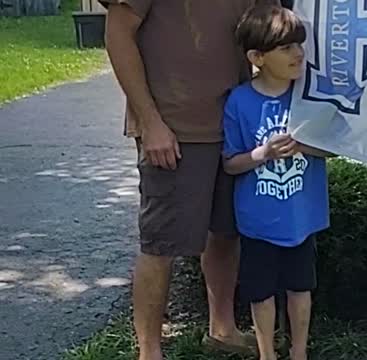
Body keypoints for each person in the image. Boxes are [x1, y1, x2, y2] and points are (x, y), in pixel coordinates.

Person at [101, 0, 280, 359]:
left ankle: (222, 329)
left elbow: (274, 24)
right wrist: (150, 122)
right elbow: (118, 34)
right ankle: (149, 352)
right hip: (172, 127)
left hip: (236, 121)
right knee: (160, 243)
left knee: (226, 233)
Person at [222, 5, 333, 360]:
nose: (298, 53)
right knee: (261, 292)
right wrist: (263, 154)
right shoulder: (239, 101)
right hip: (257, 222)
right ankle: (266, 353)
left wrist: (303, 145)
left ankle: (299, 352)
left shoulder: (309, 95)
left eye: (299, 44)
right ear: (257, 56)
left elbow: (334, 149)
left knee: (301, 288)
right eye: (286, 48)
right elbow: (230, 164)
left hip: (302, 218)